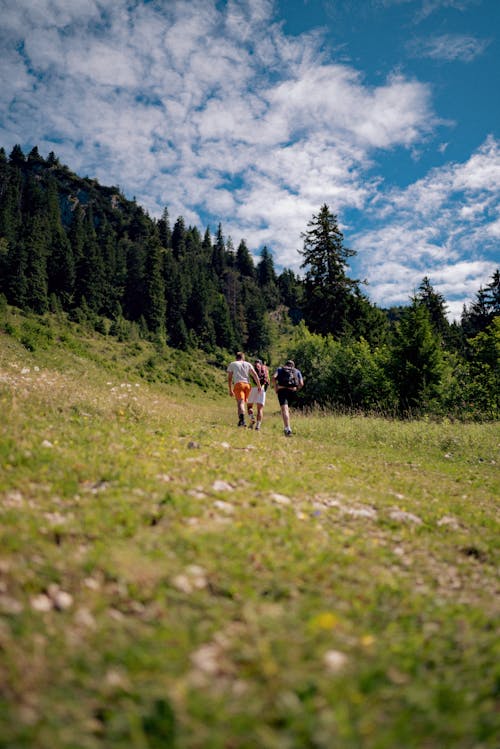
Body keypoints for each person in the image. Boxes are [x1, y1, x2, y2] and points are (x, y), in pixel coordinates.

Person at [227, 352, 262, 427]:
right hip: (247, 385)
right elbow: (255, 375)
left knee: (240, 403)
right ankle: (241, 421)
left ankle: (242, 421)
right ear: (243, 357)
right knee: (242, 403)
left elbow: (229, 378)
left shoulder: (233, 364)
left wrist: (230, 389)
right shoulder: (248, 364)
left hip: (239, 384)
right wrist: (259, 385)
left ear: (236, 357)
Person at [272, 359, 304, 436]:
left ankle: (287, 428)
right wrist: (296, 388)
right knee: (288, 409)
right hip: (292, 392)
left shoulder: (280, 369)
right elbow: (301, 383)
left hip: (282, 391)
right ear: (293, 366)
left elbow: (273, 377)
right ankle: (288, 427)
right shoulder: (297, 371)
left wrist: (276, 387)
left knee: (285, 409)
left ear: (285, 365)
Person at [247, 359, 270, 431]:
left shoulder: (251, 369)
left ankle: (252, 418)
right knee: (260, 409)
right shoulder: (265, 370)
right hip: (262, 389)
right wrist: (264, 389)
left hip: (252, 389)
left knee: (249, 406)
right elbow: (268, 381)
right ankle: (258, 426)